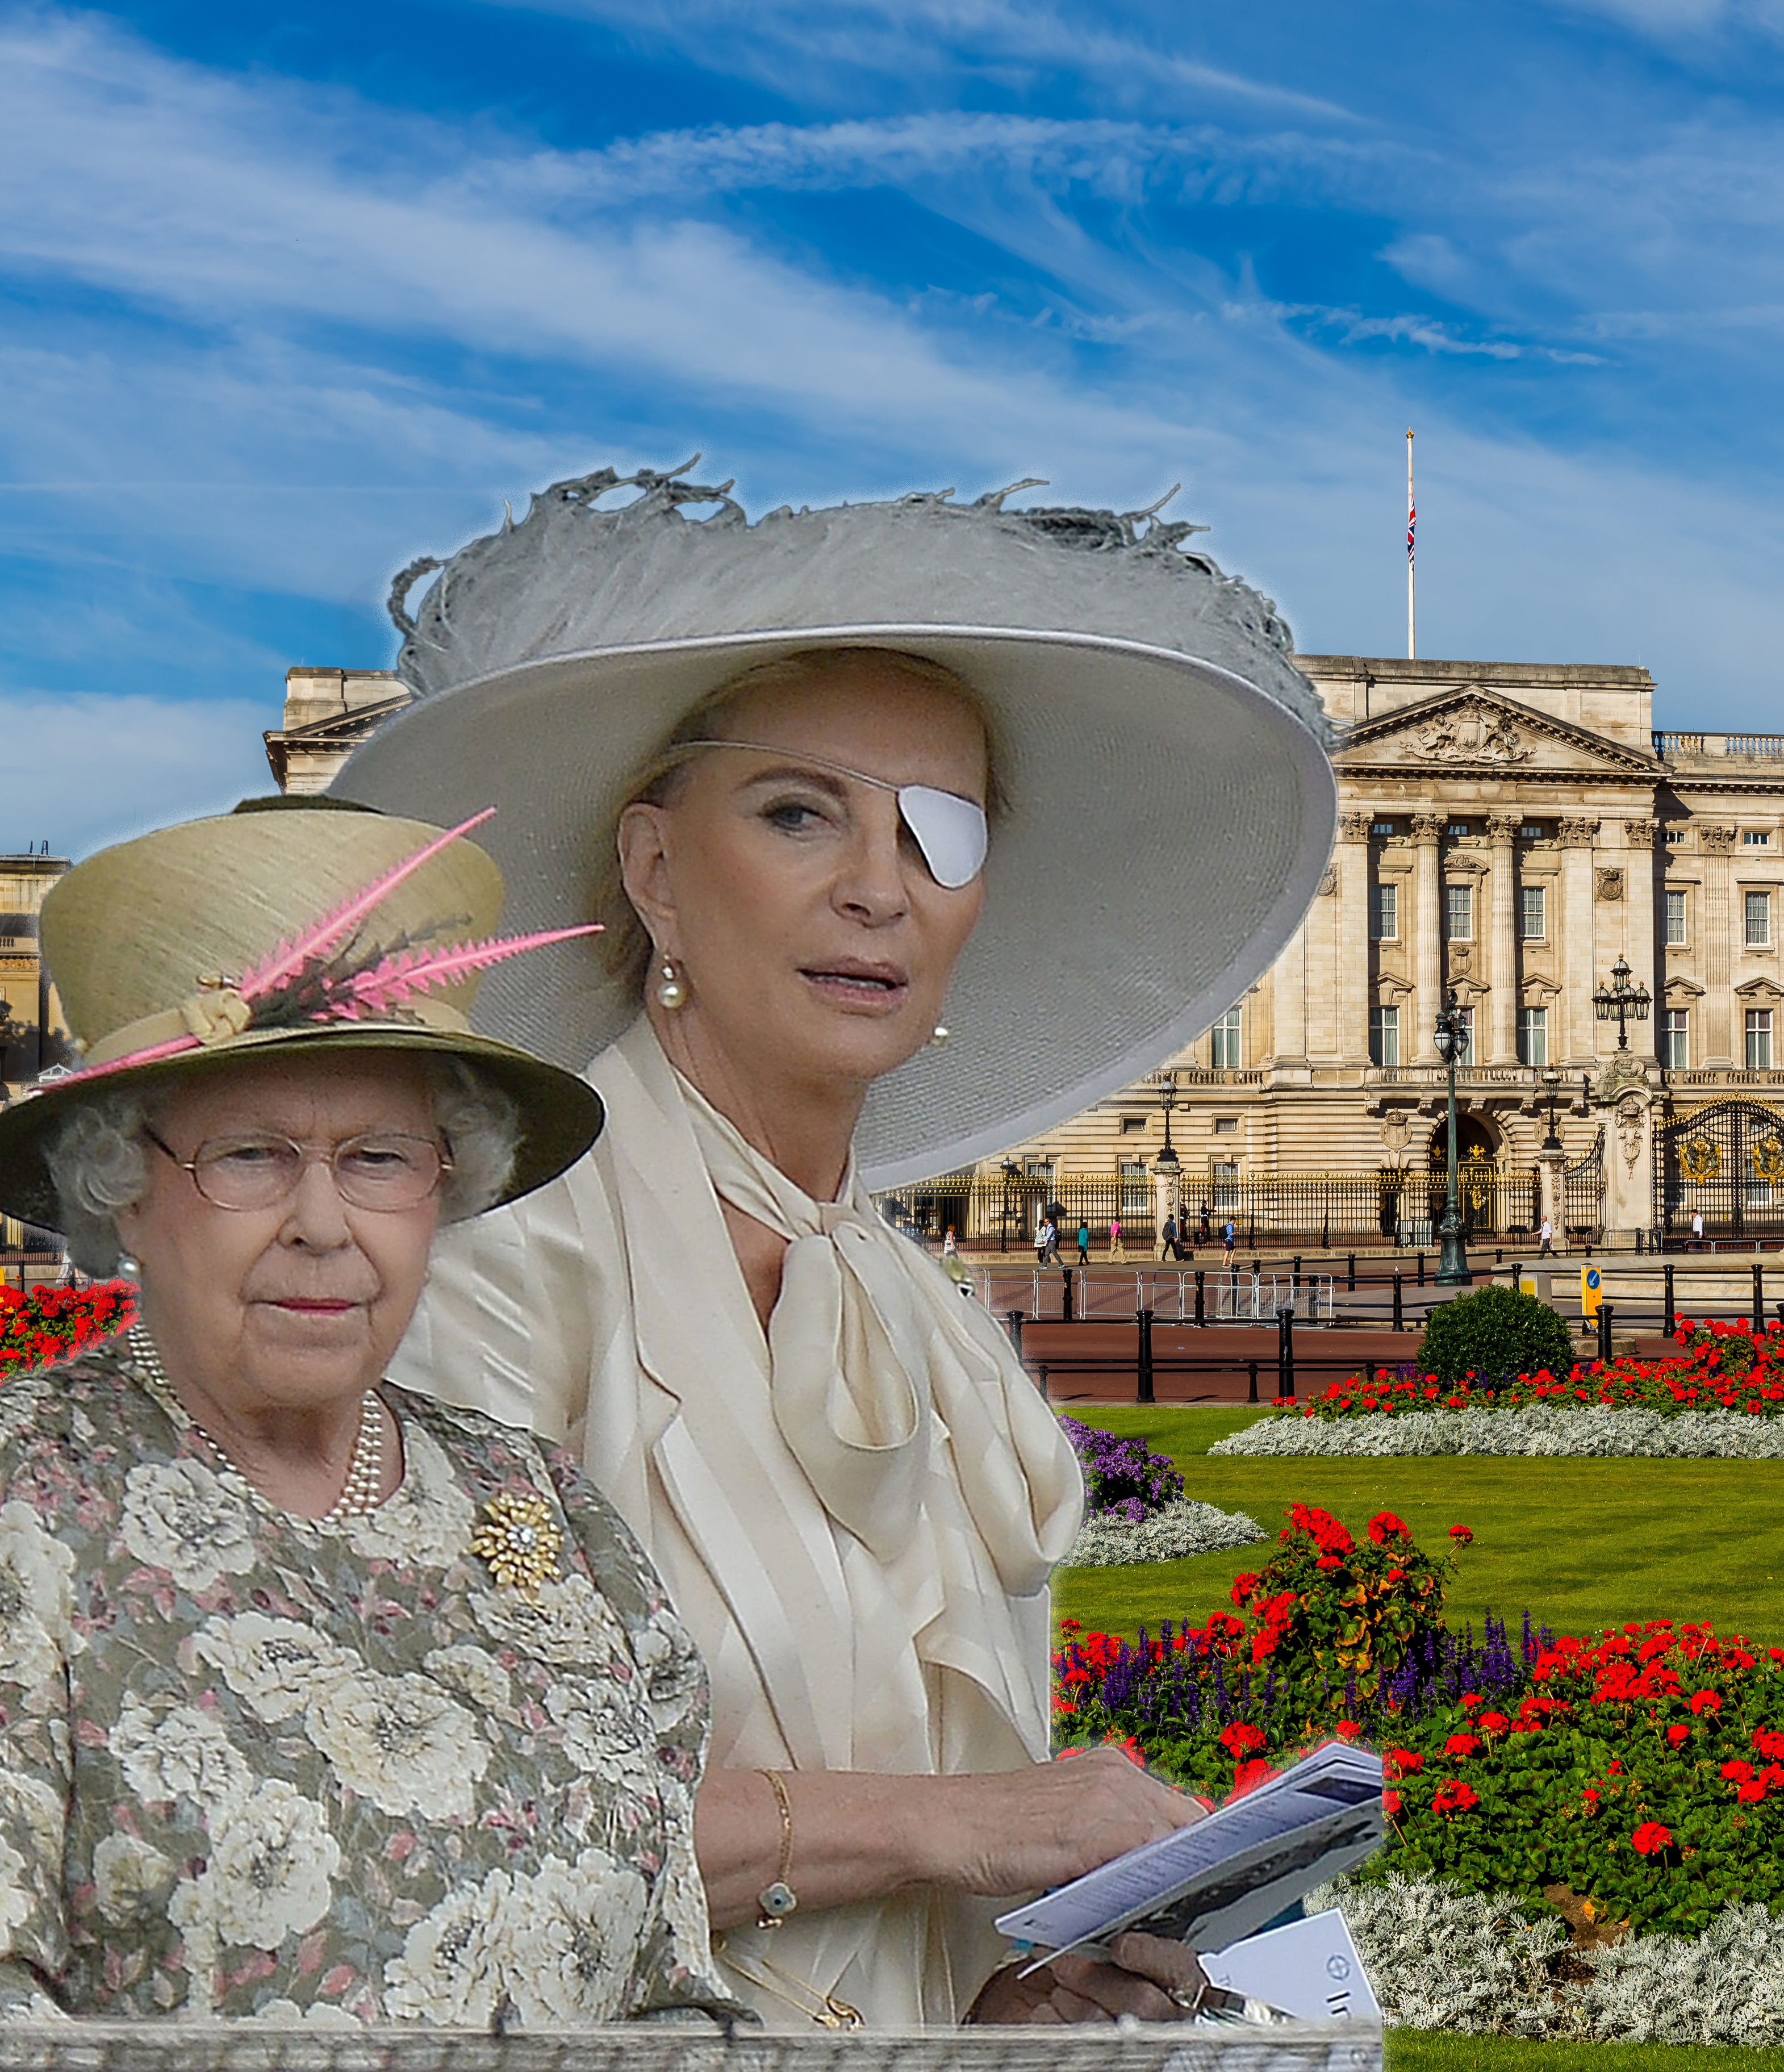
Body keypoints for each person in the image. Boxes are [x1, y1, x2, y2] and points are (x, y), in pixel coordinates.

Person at [337, 467, 1338, 2027]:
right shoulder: (480, 1272)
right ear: (655, 872)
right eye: (801, 812)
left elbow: (880, 1940)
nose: (882, 886)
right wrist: (971, 1826)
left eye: (939, 832)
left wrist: (1014, 2005)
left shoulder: (921, 1324)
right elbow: (438, 1812)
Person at [0, 800, 737, 2023]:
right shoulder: (25, 1507)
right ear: (122, 1187)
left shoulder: (540, 1501)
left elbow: (673, 1986)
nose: (324, 1224)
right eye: (249, 1155)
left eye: (381, 1159)